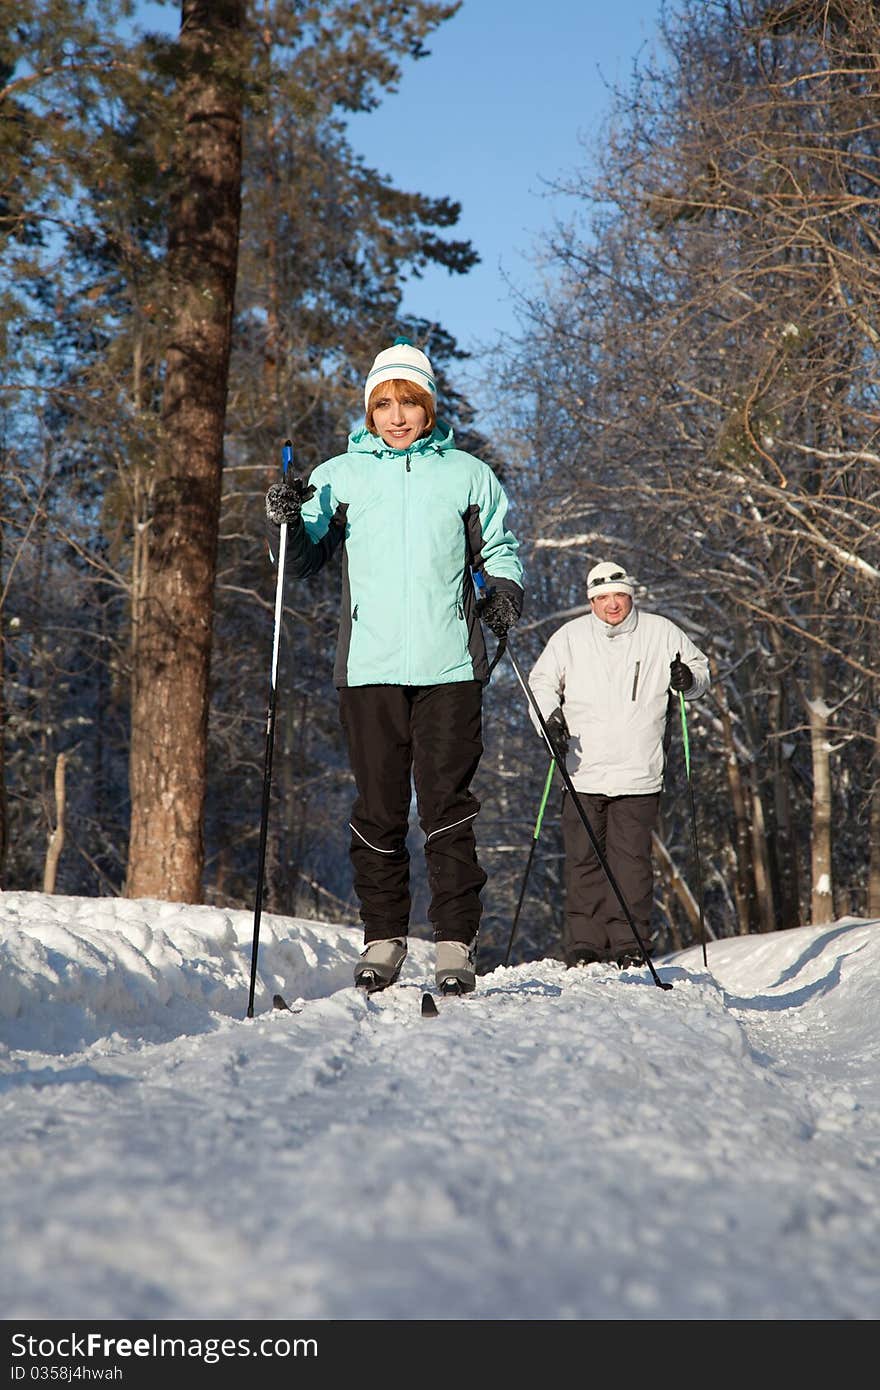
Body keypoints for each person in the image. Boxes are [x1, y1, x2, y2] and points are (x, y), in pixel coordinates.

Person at [265, 338, 524, 995]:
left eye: (409, 402)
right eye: (384, 404)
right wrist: (289, 517)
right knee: (377, 808)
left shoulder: (467, 474)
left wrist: (504, 593)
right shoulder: (340, 476)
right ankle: (383, 939)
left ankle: (454, 946)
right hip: (370, 668)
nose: (397, 415)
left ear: (429, 408)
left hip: (449, 668)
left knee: (448, 809)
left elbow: (500, 545)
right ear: (369, 411)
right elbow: (301, 561)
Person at [528, 560, 709, 970]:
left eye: (619, 596)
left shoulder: (661, 632)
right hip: (581, 769)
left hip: (638, 771)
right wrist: (548, 719)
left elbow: (699, 671)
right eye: (602, 598)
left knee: (631, 863)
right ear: (591, 600)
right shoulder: (569, 637)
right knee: (583, 860)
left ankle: (630, 943)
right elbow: (541, 683)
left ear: (631, 595)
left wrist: (688, 679)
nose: (612, 605)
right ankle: (585, 945)